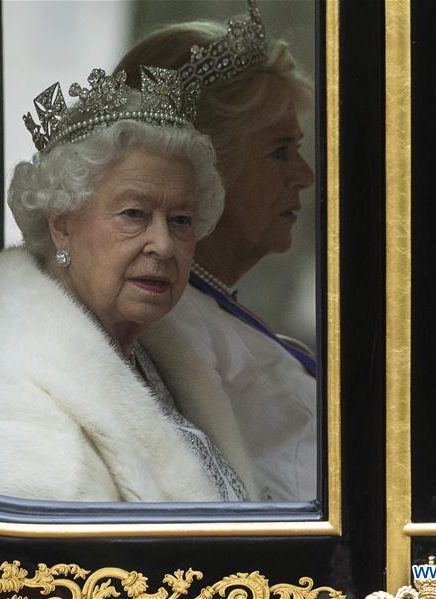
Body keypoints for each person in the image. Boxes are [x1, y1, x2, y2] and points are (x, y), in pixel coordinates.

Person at [0, 66, 260, 502]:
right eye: (134, 214)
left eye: (180, 220)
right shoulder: (1, 389)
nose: (164, 244)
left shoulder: (157, 360)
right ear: (61, 224)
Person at [115, 1, 318, 502]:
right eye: (279, 151)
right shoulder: (164, 324)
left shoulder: (200, 309)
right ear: (200, 168)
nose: (305, 176)